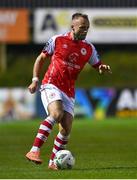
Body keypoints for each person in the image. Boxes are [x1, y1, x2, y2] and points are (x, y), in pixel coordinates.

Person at [25, 13, 112, 170]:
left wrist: (101, 67)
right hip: (51, 84)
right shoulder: (57, 40)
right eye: (82, 27)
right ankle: (34, 150)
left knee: (66, 129)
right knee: (56, 114)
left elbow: (96, 64)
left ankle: (53, 163)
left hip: (69, 91)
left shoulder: (88, 48)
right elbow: (40, 59)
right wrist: (34, 80)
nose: (85, 30)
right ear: (73, 26)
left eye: (87, 28)